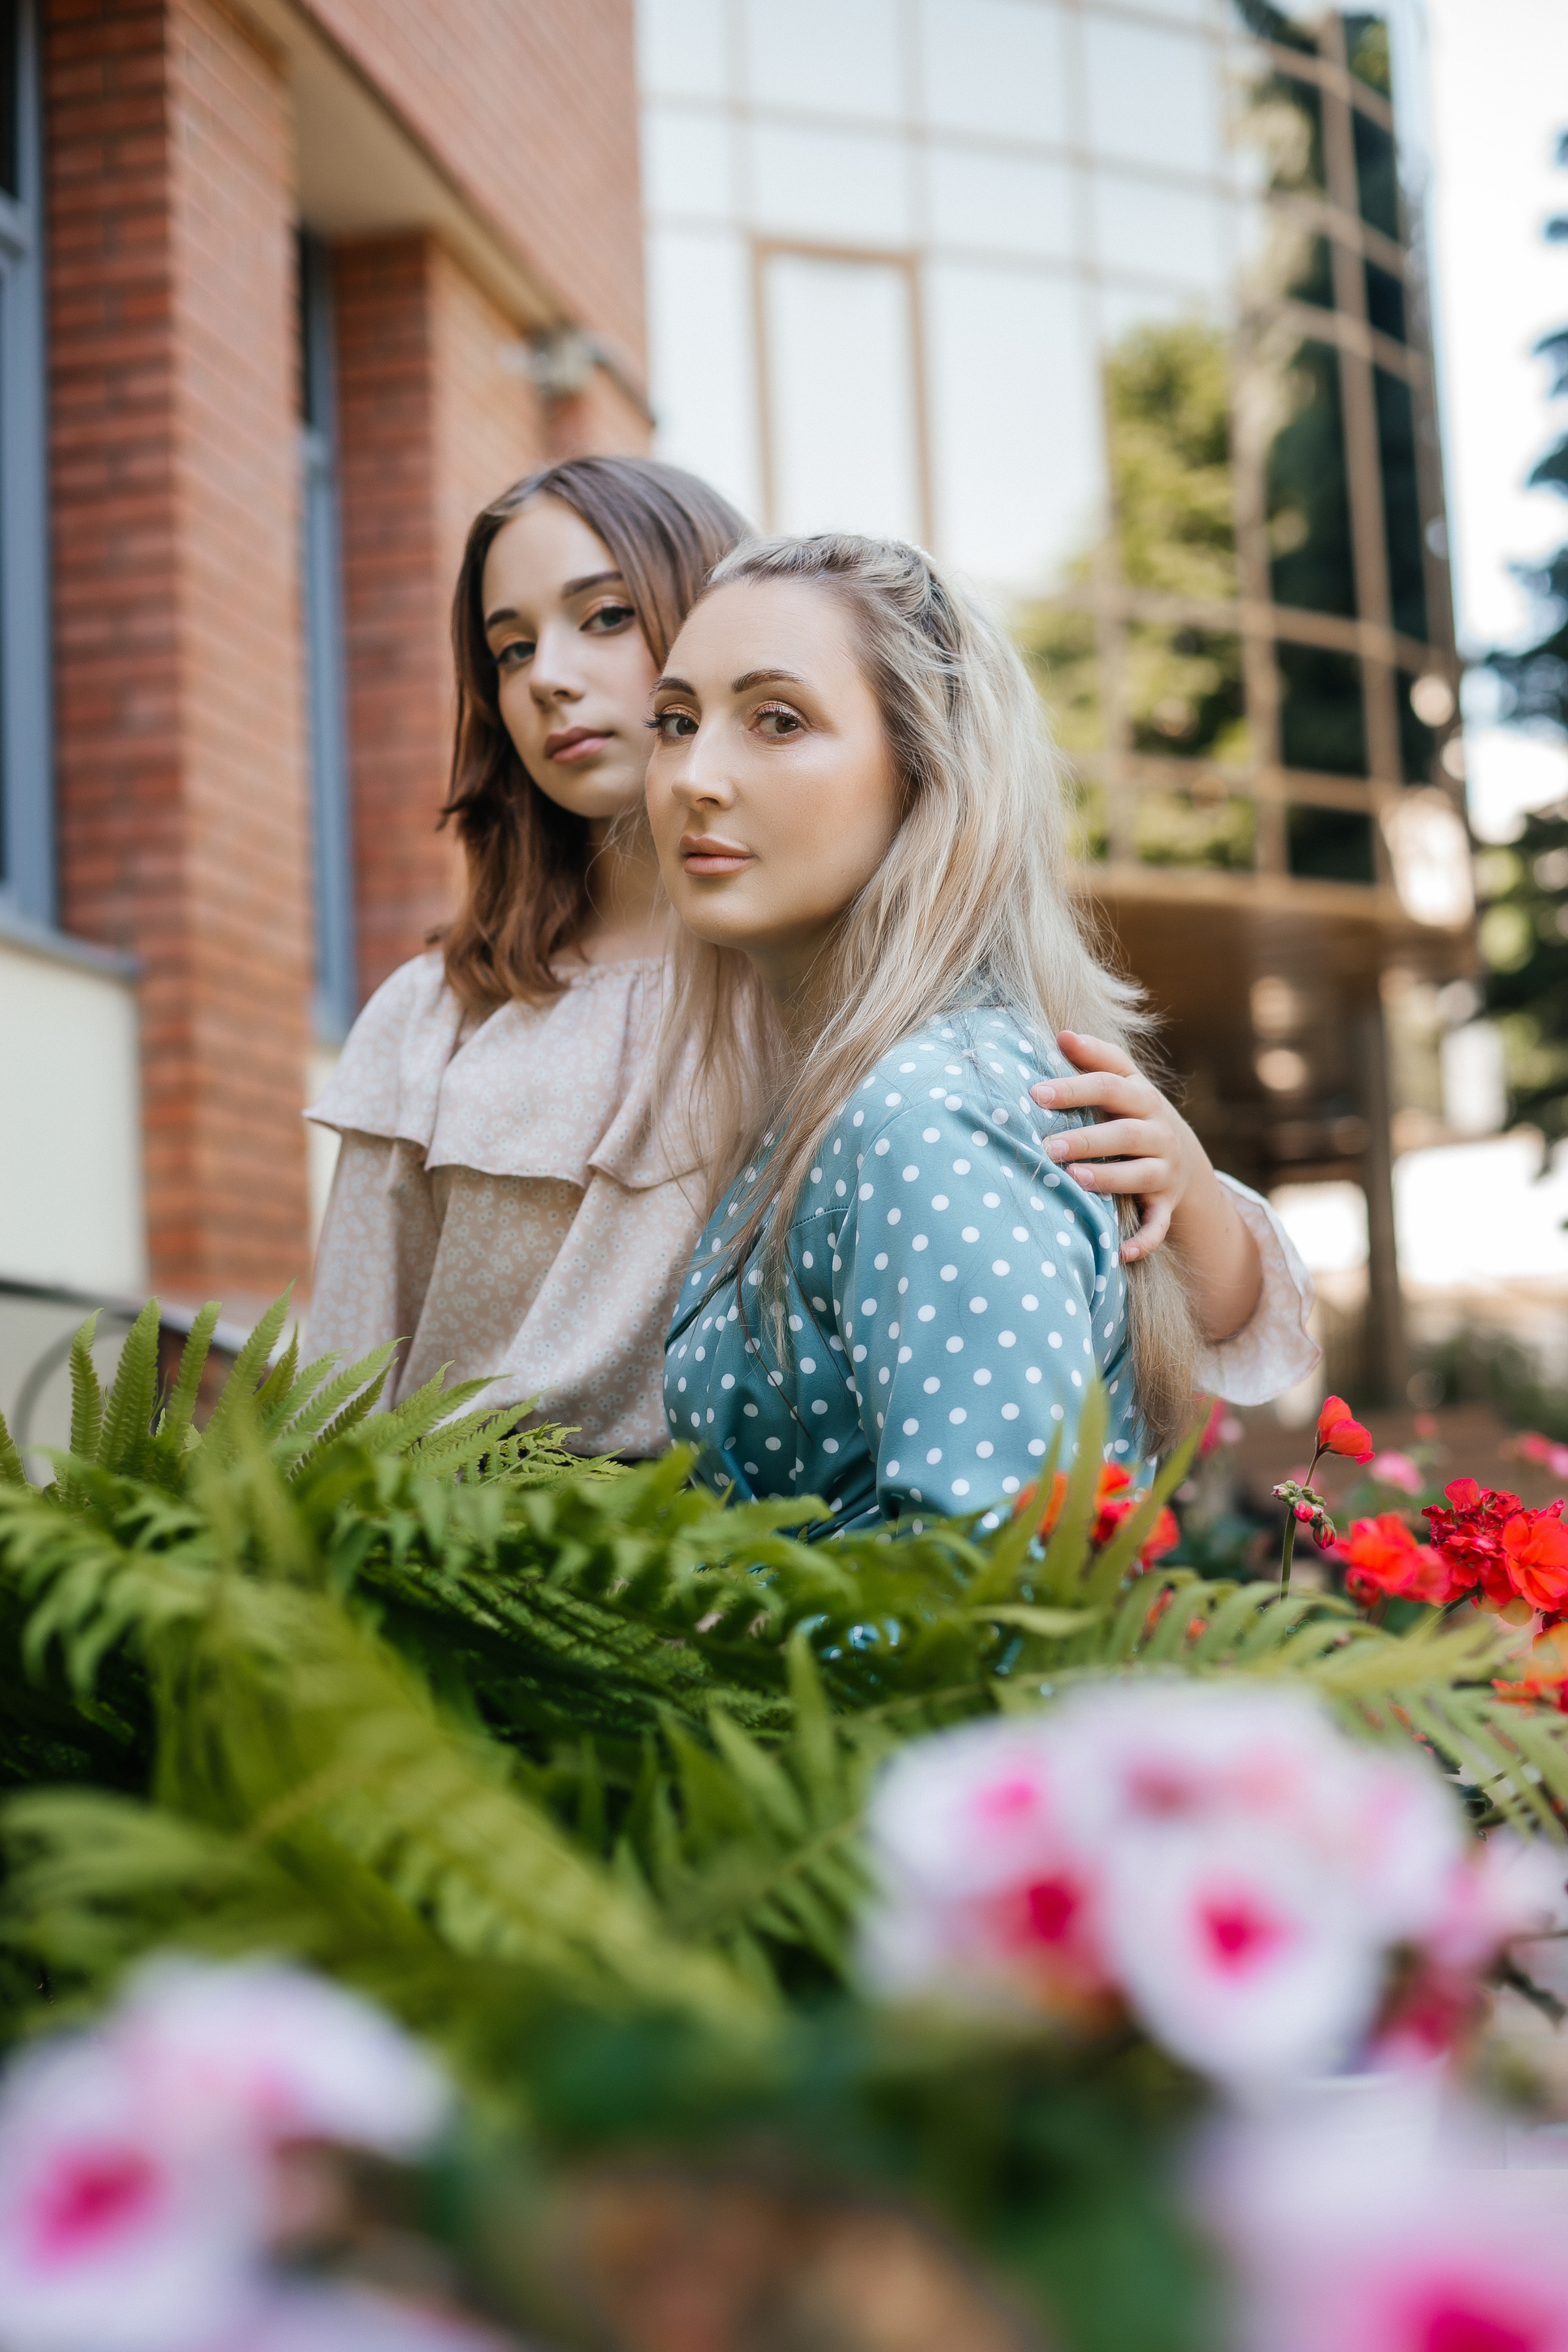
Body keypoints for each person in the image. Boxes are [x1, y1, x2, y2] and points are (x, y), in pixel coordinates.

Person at [308, 462, 1314, 1460]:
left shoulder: (860, 1004)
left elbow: (1164, 1338)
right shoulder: (439, 1014)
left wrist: (1190, 1185)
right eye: (511, 648)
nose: (550, 677)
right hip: (433, 1573)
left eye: (605, 616)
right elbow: (328, 1396)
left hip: (735, 1587)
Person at [649, 532, 1315, 1527]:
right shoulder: (860, 1088)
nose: (693, 775)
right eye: (673, 720)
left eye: (776, 720)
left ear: (927, 773)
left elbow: (990, 1599)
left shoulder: (934, 1114)